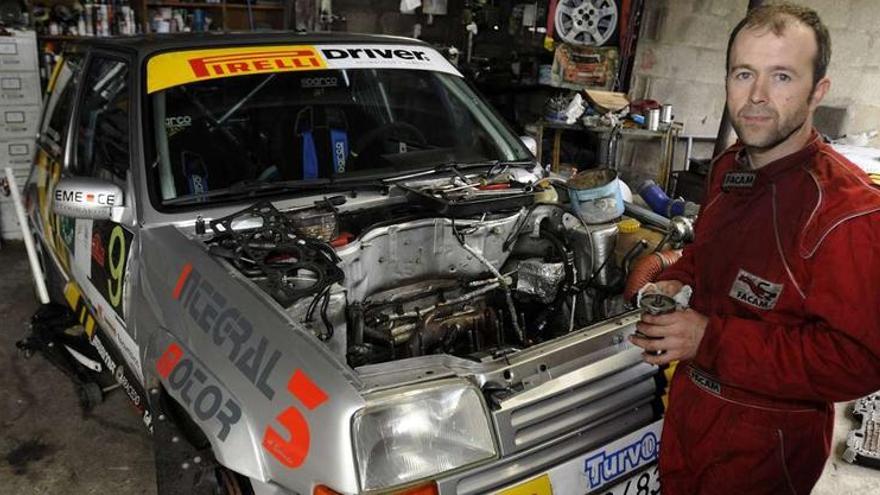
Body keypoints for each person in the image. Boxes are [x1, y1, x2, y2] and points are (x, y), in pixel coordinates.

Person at [629, 3, 880, 494]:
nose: (757, 96)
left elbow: (856, 361)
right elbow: (709, 254)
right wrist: (677, 277)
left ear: (817, 92)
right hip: (690, 413)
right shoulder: (729, 169)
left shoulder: (848, 214)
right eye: (744, 73)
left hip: (767, 444)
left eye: (782, 76)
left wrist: (710, 339)